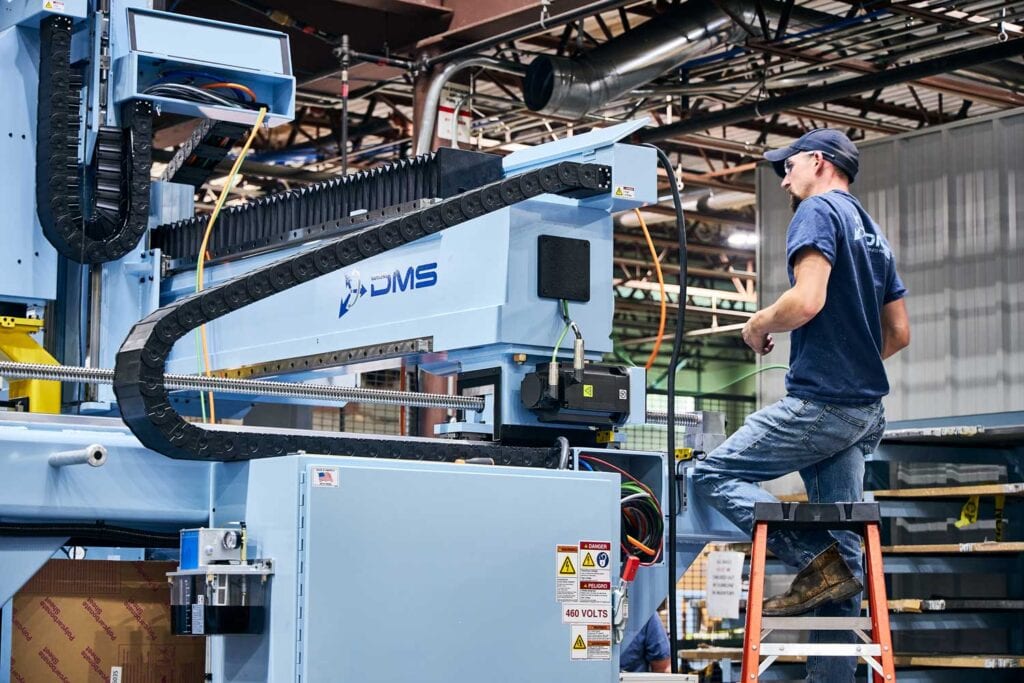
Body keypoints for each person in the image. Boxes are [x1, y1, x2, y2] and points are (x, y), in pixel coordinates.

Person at [691, 128, 910, 682]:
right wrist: (854, 363)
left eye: (787, 167)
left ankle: (814, 561)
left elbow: (807, 300)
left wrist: (758, 323)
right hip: (864, 413)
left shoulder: (817, 212)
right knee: (845, 551)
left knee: (710, 472)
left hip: (822, 404)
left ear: (818, 161)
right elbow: (899, 333)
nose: (784, 179)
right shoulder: (873, 233)